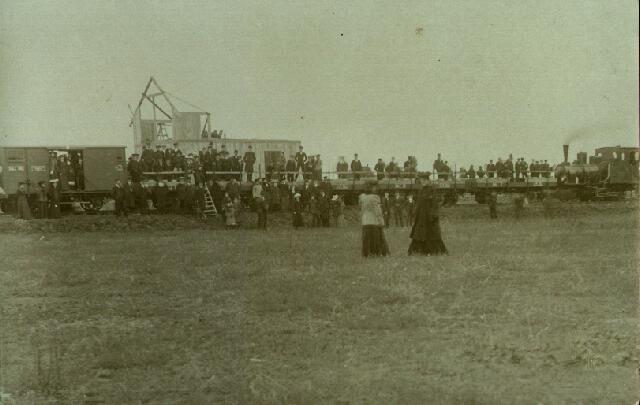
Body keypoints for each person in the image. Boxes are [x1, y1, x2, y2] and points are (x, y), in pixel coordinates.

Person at [408, 185, 447, 256]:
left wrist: (432, 215)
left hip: (427, 219)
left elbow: (433, 205)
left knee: (427, 235)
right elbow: (419, 205)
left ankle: (427, 251)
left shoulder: (428, 192)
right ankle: (424, 251)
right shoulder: (423, 193)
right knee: (424, 235)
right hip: (424, 219)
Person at [360, 181, 389, 257]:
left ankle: (366, 253)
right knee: (377, 238)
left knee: (366, 239)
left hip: (365, 221)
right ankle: (377, 253)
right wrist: (381, 221)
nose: (376, 188)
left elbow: (362, 210)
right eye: (375, 187)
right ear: (372, 188)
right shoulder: (375, 197)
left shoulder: (362, 197)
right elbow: (377, 211)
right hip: (374, 221)